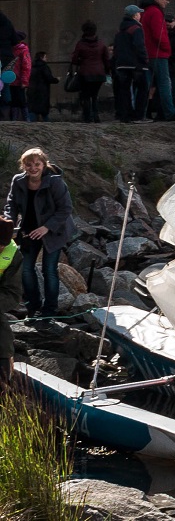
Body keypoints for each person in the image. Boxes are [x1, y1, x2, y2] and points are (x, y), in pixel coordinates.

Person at [4, 149, 73, 319]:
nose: (33, 168)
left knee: (49, 270)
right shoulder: (18, 181)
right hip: (28, 231)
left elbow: (66, 209)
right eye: (29, 164)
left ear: (44, 164)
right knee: (26, 269)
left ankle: (50, 310)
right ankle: (33, 307)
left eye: (37, 164)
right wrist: (8, 224)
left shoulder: (55, 182)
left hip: (53, 231)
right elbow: (11, 205)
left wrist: (47, 227)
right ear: (23, 165)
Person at [141, 0, 175, 121]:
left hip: (149, 53)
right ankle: (169, 112)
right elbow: (159, 34)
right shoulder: (155, 12)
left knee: (149, 84)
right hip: (158, 54)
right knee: (164, 83)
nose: (167, 2)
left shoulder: (146, 11)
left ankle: (145, 112)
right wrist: (166, 48)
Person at [112, 4, 148, 122]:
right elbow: (139, 46)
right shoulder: (136, 29)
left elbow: (116, 47)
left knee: (124, 90)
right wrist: (144, 59)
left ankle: (125, 115)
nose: (140, 15)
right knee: (143, 88)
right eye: (138, 13)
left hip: (121, 64)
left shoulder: (120, 29)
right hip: (135, 64)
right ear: (134, 15)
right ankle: (139, 115)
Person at [70, 21, 109, 123]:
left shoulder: (80, 44)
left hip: (86, 73)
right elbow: (106, 59)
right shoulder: (101, 43)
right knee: (95, 95)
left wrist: (81, 61)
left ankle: (88, 117)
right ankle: (96, 116)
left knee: (86, 96)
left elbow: (74, 59)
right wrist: (107, 71)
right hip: (99, 74)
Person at [0, 217, 20, 373]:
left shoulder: (14, 256)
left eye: (2, 246)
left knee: (2, 329)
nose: (0, 249)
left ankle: (5, 369)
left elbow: (12, 293)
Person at [26, 50, 52, 122]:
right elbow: (49, 78)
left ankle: (31, 123)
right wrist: (56, 80)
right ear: (41, 58)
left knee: (32, 109)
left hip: (32, 90)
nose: (46, 59)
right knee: (43, 110)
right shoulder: (44, 67)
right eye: (45, 57)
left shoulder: (32, 66)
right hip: (42, 91)